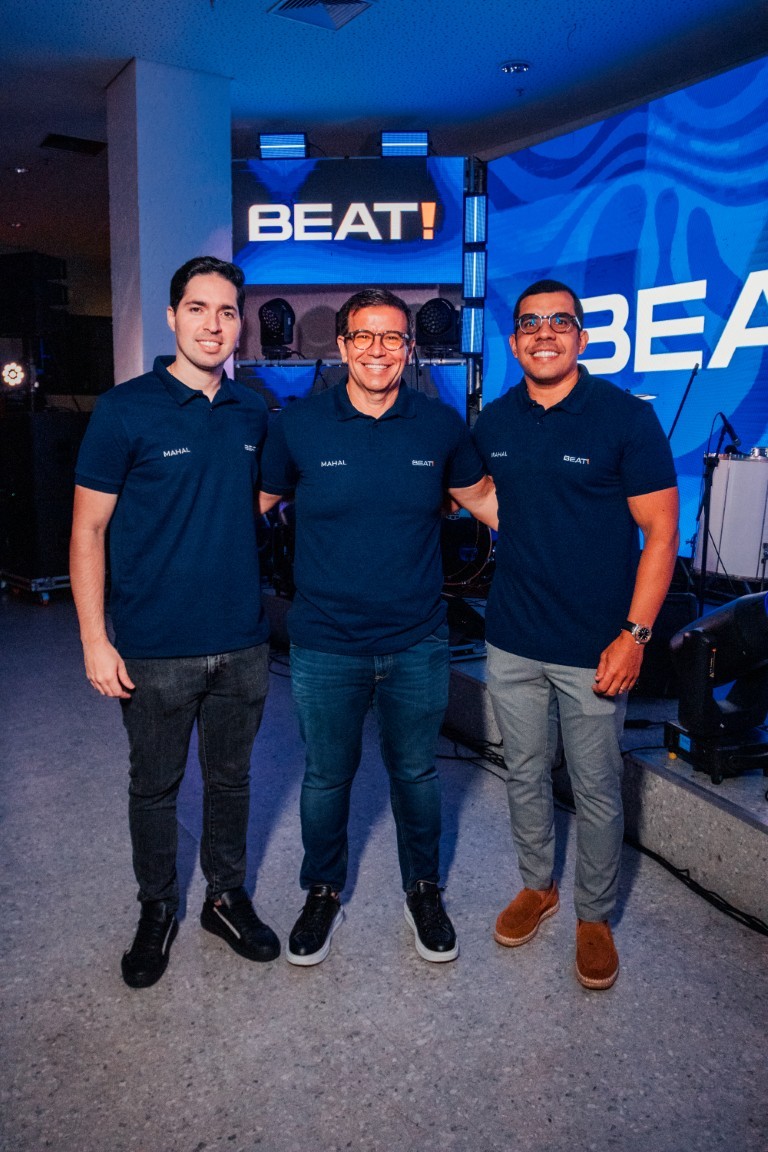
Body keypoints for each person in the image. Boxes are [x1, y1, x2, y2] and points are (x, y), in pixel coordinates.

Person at [259, 288, 497, 966]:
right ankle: (322, 891)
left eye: (392, 337)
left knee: (416, 774)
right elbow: (250, 505)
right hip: (325, 642)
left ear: (409, 347)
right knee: (326, 777)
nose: (377, 349)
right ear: (341, 346)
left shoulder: (440, 425)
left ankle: (423, 890)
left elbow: (487, 502)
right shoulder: (299, 425)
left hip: (417, 640)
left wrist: (583, 538)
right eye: (363, 336)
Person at [70, 256, 280, 989]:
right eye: (198, 308)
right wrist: (95, 639)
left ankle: (224, 899)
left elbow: (256, 500)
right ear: (171, 317)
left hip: (243, 642)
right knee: (155, 788)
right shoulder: (124, 410)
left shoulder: (253, 410)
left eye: (226, 312)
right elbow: (88, 530)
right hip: (154, 649)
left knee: (231, 783)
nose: (213, 325)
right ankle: (157, 906)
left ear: (240, 324)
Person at [473, 279, 679, 990]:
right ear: (514, 342)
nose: (545, 333)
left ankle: (594, 915)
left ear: (582, 338)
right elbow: (483, 496)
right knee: (524, 772)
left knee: (595, 788)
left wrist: (635, 635)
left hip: (596, 648)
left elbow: (661, 534)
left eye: (560, 322)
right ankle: (538, 885)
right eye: (530, 323)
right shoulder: (495, 422)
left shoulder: (625, 417)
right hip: (511, 639)